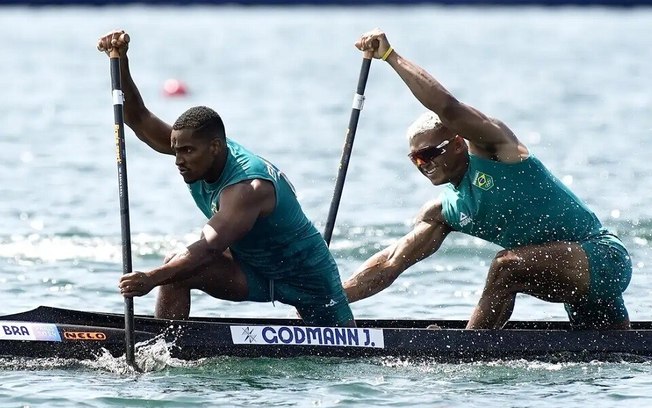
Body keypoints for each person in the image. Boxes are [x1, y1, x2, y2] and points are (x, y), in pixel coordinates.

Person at [343, 28, 632, 330]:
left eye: (429, 154)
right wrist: (330, 299)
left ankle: (467, 353)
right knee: (614, 354)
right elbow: (390, 263)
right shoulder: (445, 211)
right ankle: (475, 347)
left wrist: (390, 57)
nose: (422, 164)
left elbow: (448, 107)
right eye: (415, 158)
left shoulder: (496, 149)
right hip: (568, 277)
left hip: (603, 258)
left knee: (505, 267)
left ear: (458, 143)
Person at [96, 30, 354, 327]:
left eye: (187, 151)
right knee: (176, 269)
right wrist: (121, 61)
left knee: (344, 352)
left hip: (308, 280)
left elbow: (208, 249)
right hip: (253, 271)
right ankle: (162, 349)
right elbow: (139, 118)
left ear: (216, 147)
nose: (179, 160)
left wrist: (149, 278)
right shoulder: (199, 153)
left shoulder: (247, 187)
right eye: (176, 151)